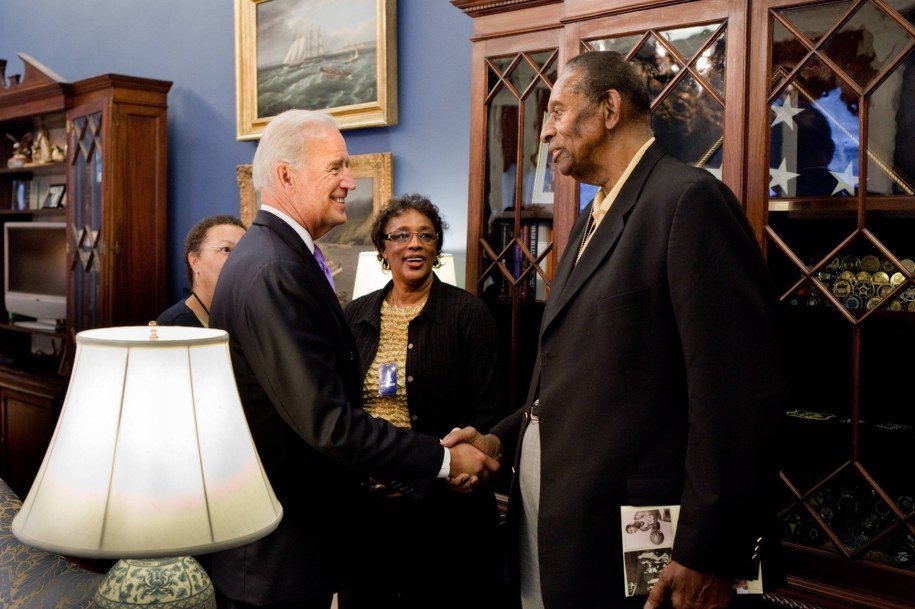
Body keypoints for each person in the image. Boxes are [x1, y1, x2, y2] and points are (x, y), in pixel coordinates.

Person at [443, 50, 785, 609]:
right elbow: (572, 379)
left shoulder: (688, 202)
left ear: (608, 108)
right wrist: (498, 437)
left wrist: (708, 552)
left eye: (556, 111)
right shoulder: (588, 221)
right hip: (554, 541)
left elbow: (738, 398)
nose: (545, 131)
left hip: (641, 552)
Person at [208, 109, 499, 609]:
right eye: (336, 167)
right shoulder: (275, 268)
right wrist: (446, 459)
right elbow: (329, 423)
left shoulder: (274, 257)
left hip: (299, 541)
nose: (349, 181)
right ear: (285, 175)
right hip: (280, 552)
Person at [343, 193, 506, 609]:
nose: (413, 243)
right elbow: (340, 410)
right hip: (369, 508)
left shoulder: (468, 313)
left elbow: (491, 410)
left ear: (435, 249)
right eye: (401, 235)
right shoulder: (354, 317)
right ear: (383, 248)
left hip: (446, 509)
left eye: (425, 235)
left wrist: (455, 457)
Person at [156, 214, 247, 327]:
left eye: (244, 249)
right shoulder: (173, 327)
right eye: (226, 249)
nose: (240, 258)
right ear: (195, 262)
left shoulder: (254, 318)